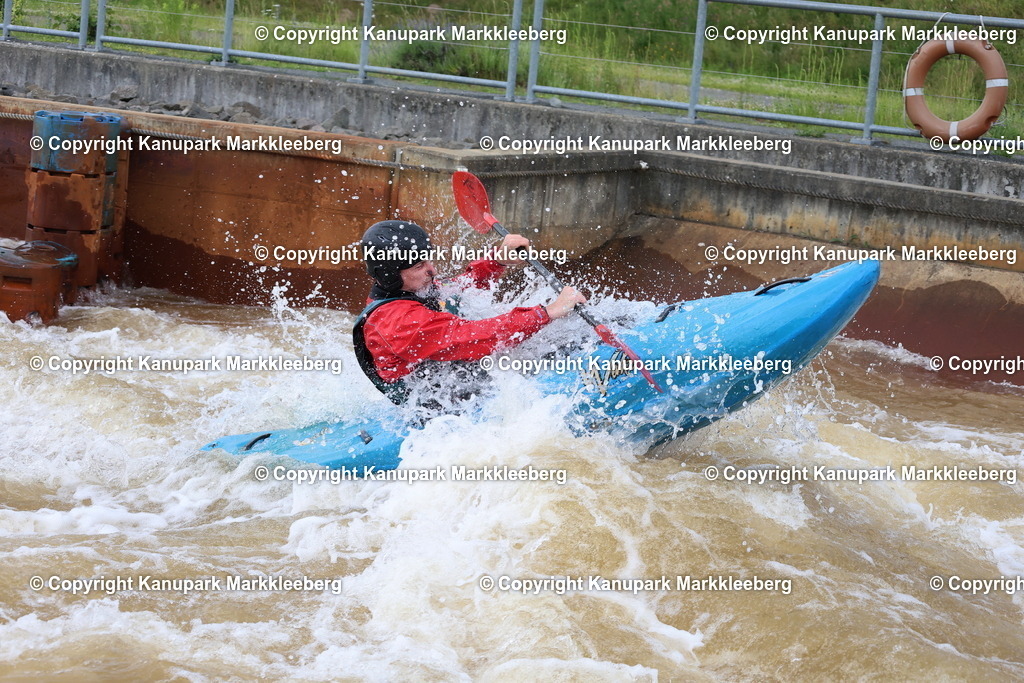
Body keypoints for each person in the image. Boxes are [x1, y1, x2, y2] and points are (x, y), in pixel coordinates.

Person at [352, 220, 586, 409]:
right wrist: (548, 312)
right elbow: (474, 337)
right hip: (434, 409)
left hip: (452, 383)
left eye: (427, 260)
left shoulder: (408, 290)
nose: (432, 269)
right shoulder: (398, 322)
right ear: (390, 275)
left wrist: (496, 260)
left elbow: (461, 290)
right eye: (418, 267)